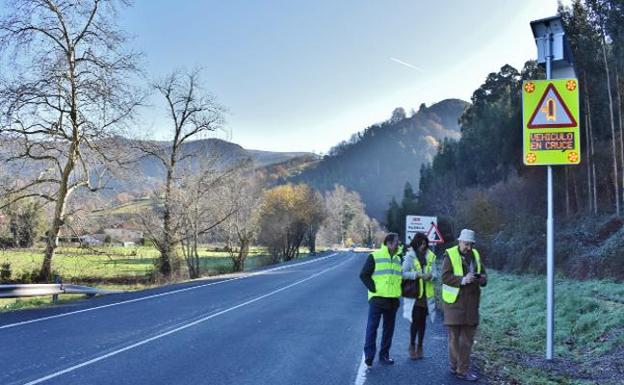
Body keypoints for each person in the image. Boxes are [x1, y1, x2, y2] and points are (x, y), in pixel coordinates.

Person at [441, 229, 487, 382]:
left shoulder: (476, 255)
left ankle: (462, 370)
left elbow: (484, 276)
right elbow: (445, 277)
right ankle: (455, 367)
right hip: (454, 304)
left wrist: (482, 279)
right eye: (466, 244)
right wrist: (462, 280)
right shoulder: (450, 254)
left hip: (471, 305)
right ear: (459, 242)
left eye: (471, 244)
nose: (468, 247)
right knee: (454, 338)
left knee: (466, 340)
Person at [359, 232, 402, 368]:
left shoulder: (397, 259)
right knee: (372, 328)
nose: (398, 244)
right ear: (389, 243)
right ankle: (369, 357)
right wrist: (374, 289)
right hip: (377, 299)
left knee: (388, 330)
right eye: (397, 242)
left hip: (392, 300)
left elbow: (398, 278)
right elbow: (364, 275)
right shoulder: (374, 256)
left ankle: (384, 355)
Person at [402, 232, 437, 360]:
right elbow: (403, 273)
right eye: (421, 244)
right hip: (414, 294)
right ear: (416, 244)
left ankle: (420, 346)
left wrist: (431, 276)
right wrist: (417, 275)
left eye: (425, 244)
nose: (423, 246)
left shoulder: (431, 256)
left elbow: (435, 274)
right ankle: (412, 345)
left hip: (426, 295)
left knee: (422, 321)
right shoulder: (409, 257)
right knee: (415, 321)